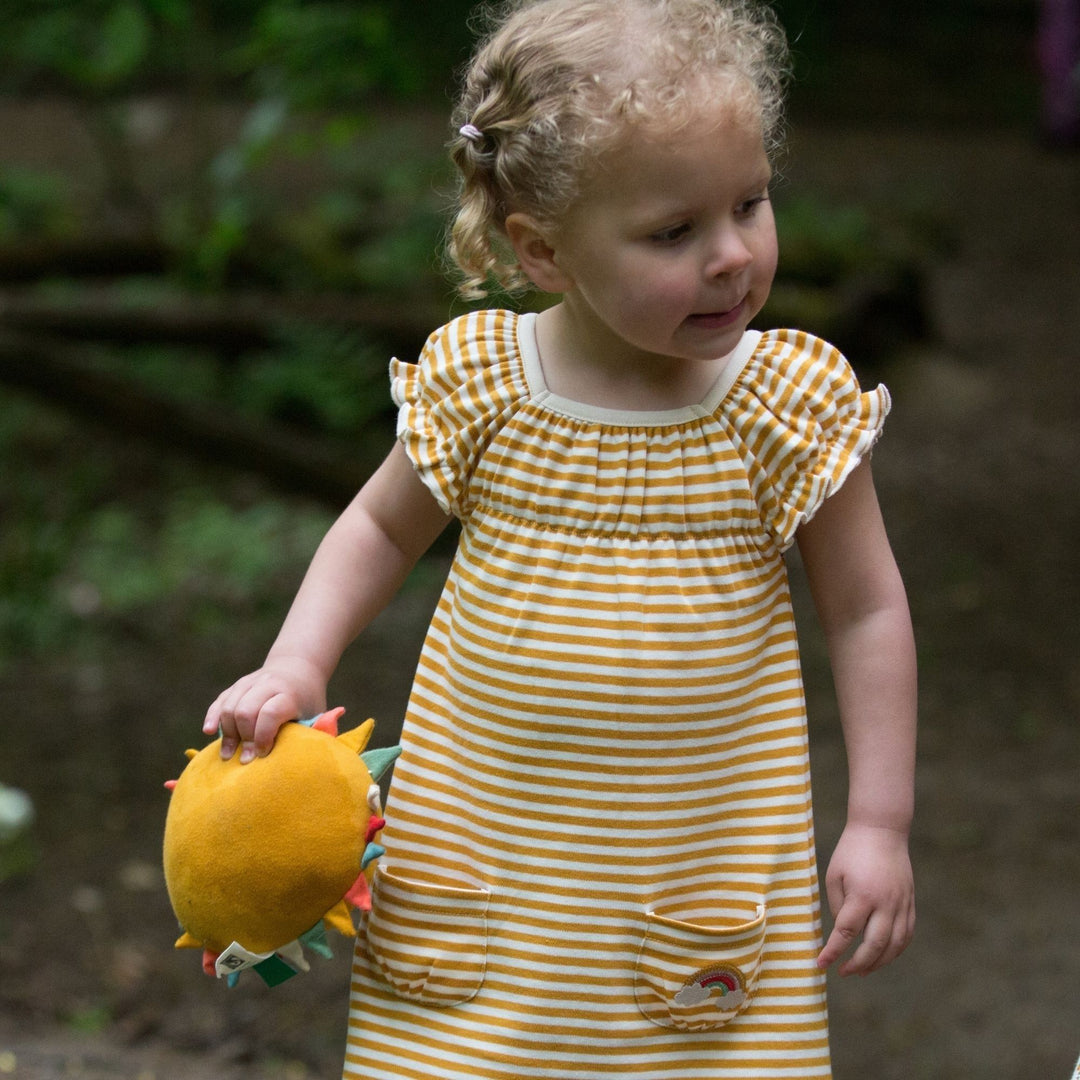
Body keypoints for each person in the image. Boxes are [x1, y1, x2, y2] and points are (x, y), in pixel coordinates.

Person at [204, 1, 917, 1076]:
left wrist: (880, 820)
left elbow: (866, 609)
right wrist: (296, 661)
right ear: (544, 250)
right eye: (675, 232)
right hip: (482, 860)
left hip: (695, 866)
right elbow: (376, 525)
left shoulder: (788, 404)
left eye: (751, 203)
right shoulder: (484, 384)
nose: (732, 255)